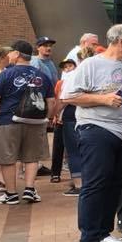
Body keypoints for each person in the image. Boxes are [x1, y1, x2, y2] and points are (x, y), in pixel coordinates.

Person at [60, 25, 122, 242]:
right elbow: (68, 96)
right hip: (97, 128)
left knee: (114, 184)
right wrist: (103, 99)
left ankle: (102, 233)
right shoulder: (91, 65)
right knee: (96, 183)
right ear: (120, 41)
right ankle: (87, 241)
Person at [0, 40, 57, 207]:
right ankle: (29, 189)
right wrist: (48, 119)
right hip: (36, 122)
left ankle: (11, 194)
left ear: (16, 54)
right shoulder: (42, 75)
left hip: (8, 121)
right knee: (31, 157)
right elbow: (51, 101)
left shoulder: (6, 74)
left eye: (10, 52)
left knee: (7, 158)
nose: (8, 55)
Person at [52, 58, 83, 197]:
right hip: (86, 116)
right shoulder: (86, 75)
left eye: (70, 65)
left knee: (74, 152)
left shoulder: (70, 78)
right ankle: (84, 181)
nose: (67, 68)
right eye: (65, 66)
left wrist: (54, 113)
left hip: (71, 116)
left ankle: (79, 185)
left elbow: (63, 99)